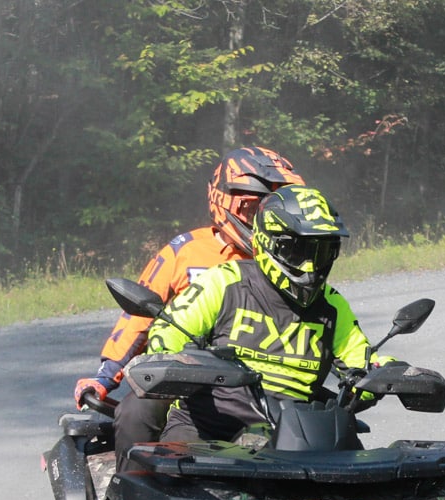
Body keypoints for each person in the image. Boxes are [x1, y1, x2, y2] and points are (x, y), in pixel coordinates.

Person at [73, 146, 305, 455]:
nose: (263, 221)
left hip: (269, 379)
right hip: (186, 379)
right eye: (253, 211)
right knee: (134, 414)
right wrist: (105, 378)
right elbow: (138, 320)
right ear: (223, 199)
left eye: (273, 211)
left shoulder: (292, 255)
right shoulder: (185, 252)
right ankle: (130, 498)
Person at [137, 185, 398, 444]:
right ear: (266, 242)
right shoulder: (223, 282)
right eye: (297, 250)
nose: (310, 266)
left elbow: (362, 362)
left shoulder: (332, 305)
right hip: (210, 427)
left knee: (363, 480)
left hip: (296, 434)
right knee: (167, 476)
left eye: (322, 253)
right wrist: (178, 364)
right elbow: (168, 331)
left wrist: (390, 372)